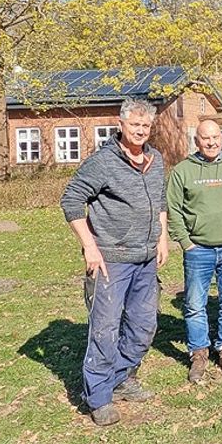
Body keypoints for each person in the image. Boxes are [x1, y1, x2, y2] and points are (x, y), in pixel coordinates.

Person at [60, 99, 168, 426]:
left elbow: (160, 200)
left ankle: (121, 377)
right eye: (134, 125)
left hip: (146, 258)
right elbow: (71, 200)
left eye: (145, 126)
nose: (140, 131)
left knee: (143, 325)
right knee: (105, 328)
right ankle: (98, 395)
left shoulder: (155, 159)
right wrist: (90, 248)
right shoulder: (104, 162)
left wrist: (162, 237)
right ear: (120, 124)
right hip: (111, 259)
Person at [167, 120, 222, 383]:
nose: (212, 142)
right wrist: (185, 242)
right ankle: (199, 352)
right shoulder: (183, 171)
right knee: (195, 305)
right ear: (197, 142)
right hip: (198, 250)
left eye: (216, 137)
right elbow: (173, 209)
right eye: (206, 138)